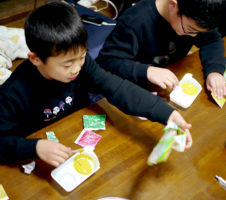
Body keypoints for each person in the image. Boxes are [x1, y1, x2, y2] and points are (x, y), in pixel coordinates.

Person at [0, 1, 192, 167]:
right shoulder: (12, 93)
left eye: (83, 56)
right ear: (35, 59)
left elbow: (116, 87)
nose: (77, 68)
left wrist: (167, 113)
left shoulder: (82, 65)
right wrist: (35, 147)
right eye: (67, 64)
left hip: (76, 131)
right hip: (39, 151)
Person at [96, 0, 226, 99]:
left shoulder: (197, 16)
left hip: (167, 85)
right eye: (190, 30)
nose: (194, 36)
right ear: (173, 5)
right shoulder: (136, 21)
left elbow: (212, 40)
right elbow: (107, 61)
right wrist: (146, 71)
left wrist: (215, 71)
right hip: (130, 87)